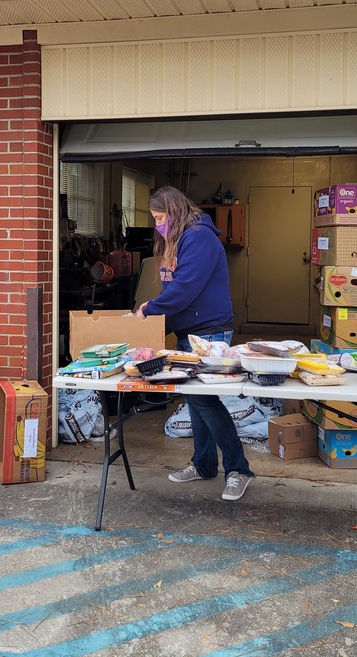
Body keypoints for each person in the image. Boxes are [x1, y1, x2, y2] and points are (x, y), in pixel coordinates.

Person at [135, 186, 254, 501]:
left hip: (209, 333)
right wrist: (163, 326)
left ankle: (239, 469)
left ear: (173, 211)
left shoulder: (198, 238)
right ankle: (203, 464)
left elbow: (185, 289)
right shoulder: (182, 239)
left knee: (204, 401)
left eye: (160, 218)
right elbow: (176, 287)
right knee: (195, 400)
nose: (158, 224)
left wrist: (150, 309)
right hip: (190, 331)